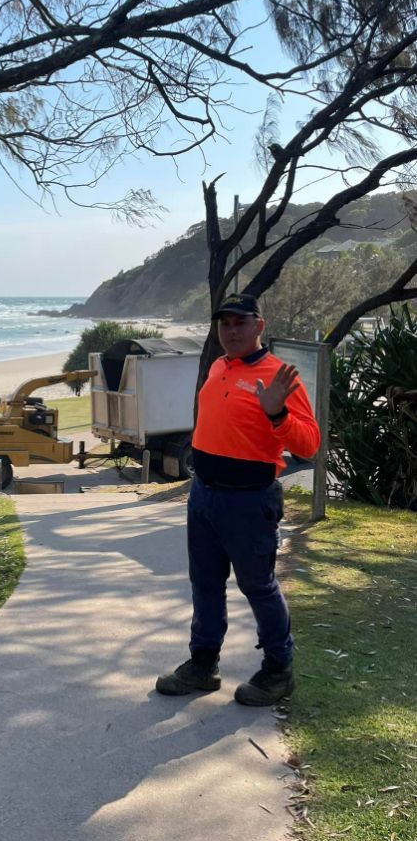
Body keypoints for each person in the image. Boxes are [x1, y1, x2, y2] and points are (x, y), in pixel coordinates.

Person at [156, 293, 320, 706]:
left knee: (258, 585)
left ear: (259, 326)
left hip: (249, 502)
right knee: (205, 583)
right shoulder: (217, 366)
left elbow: (310, 444)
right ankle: (203, 664)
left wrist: (276, 414)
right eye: (224, 323)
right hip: (204, 495)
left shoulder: (280, 376)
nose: (231, 331)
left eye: (240, 322)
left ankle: (278, 671)